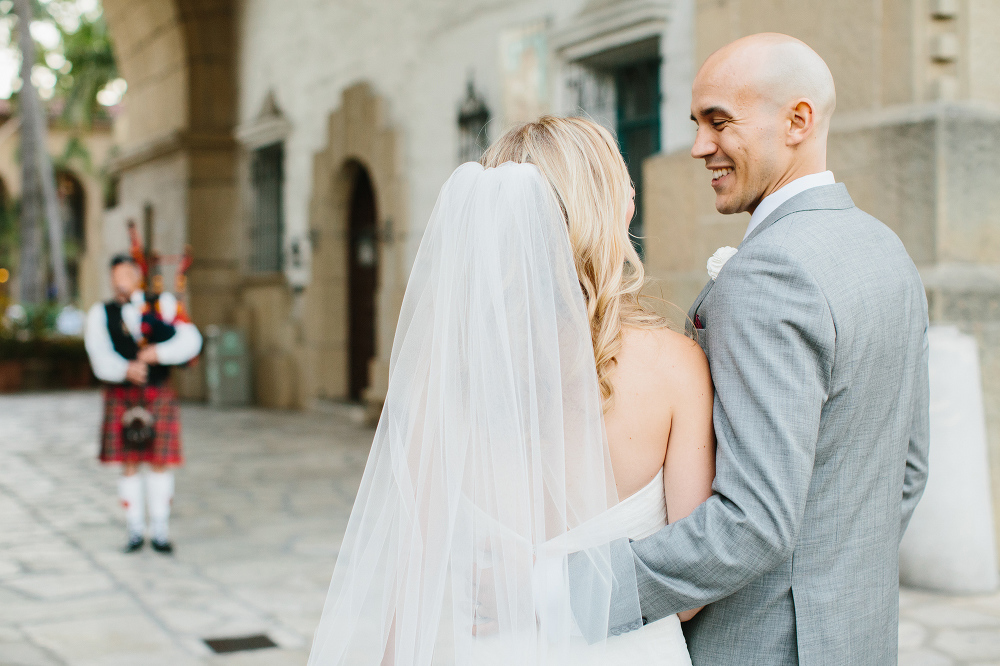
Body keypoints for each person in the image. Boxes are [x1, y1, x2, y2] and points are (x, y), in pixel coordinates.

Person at [308, 117, 715, 664]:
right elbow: (690, 585)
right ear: (614, 213)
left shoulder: (444, 377)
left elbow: (411, 587)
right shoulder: (674, 366)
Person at [604, 33, 930, 665]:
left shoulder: (766, 275)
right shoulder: (886, 250)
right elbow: (907, 471)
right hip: (859, 640)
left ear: (797, 121)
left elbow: (749, 524)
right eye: (697, 123)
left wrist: (569, 592)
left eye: (719, 123)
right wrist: (836, 583)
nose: (700, 147)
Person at [84, 254, 202, 554]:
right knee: (129, 461)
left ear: (138, 274)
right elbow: (98, 353)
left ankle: (159, 529)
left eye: (124, 272)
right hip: (122, 394)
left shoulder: (162, 304)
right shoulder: (101, 312)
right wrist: (124, 369)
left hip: (157, 391)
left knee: (160, 461)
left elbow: (191, 340)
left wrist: (158, 354)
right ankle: (135, 529)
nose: (117, 280)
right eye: (114, 274)